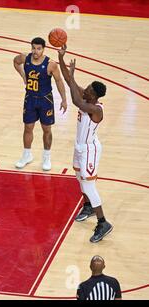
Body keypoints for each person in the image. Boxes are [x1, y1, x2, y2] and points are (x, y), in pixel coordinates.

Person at [58, 44, 113, 243]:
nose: (86, 91)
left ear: (95, 96)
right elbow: (67, 80)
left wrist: (72, 77)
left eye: (89, 90)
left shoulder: (95, 109)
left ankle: (103, 222)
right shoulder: (86, 97)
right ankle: (88, 206)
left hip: (90, 149)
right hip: (79, 146)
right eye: (87, 88)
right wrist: (61, 58)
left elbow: (76, 101)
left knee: (89, 185)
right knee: (79, 179)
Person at [13, 37, 68, 171]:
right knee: (28, 128)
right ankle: (27, 155)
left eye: (38, 49)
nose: (36, 51)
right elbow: (15, 62)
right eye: (34, 48)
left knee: (47, 129)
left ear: (43, 49)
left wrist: (64, 99)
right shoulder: (25, 58)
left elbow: (59, 81)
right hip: (30, 98)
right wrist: (22, 75)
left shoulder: (51, 64)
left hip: (45, 100)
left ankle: (46, 157)